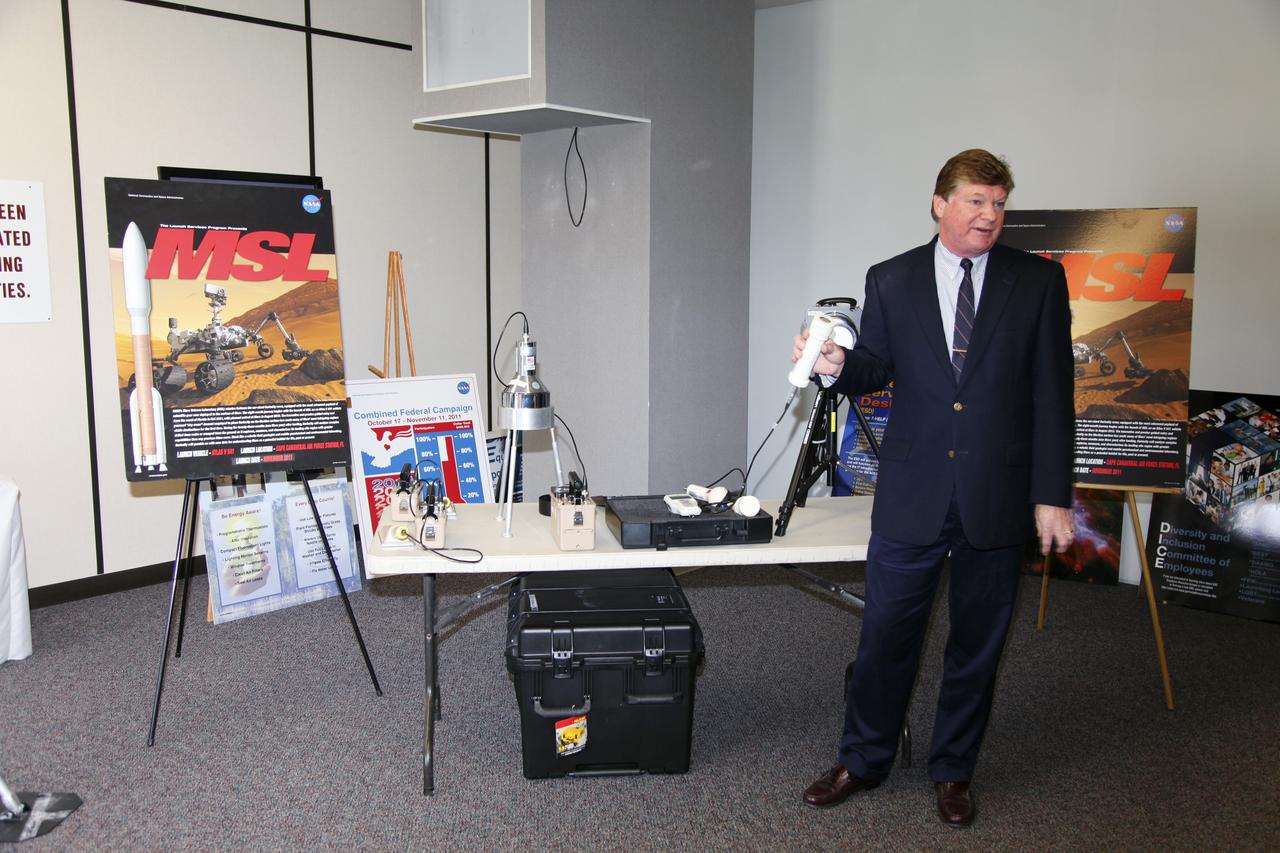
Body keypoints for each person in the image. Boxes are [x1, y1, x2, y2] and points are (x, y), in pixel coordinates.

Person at [793, 149, 1074, 828]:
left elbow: (1053, 395)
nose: (990, 215)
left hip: (996, 494)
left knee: (977, 643)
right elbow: (875, 368)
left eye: (1000, 203)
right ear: (939, 203)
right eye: (977, 200)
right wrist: (835, 364)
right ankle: (861, 758)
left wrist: (1052, 492)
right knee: (886, 635)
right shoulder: (892, 279)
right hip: (913, 492)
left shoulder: (1038, 282)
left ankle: (954, 768)